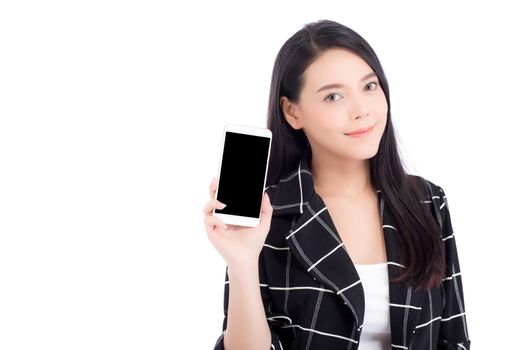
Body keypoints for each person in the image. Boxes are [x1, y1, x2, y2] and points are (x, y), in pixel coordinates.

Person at [204, 19, 471, 350]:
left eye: (369, 87)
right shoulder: (270, 214)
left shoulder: (427, 202)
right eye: (333, 96)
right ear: (292, 112)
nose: (361, 110)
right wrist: (242, 264)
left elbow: (454, 339)